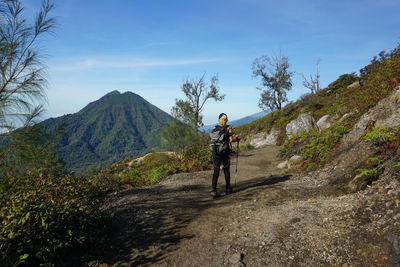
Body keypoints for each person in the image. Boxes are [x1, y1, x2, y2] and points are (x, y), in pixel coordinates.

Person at [210, 113, 240, 197]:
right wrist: (237, 139)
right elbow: (230, 140)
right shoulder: (228, 127)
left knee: (216, 170)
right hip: (225, 151)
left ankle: (213, 190)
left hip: (215, 152)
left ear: (219, 119)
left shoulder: (215, 128)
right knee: (226, 169)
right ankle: (228, 189)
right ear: (226, 120)